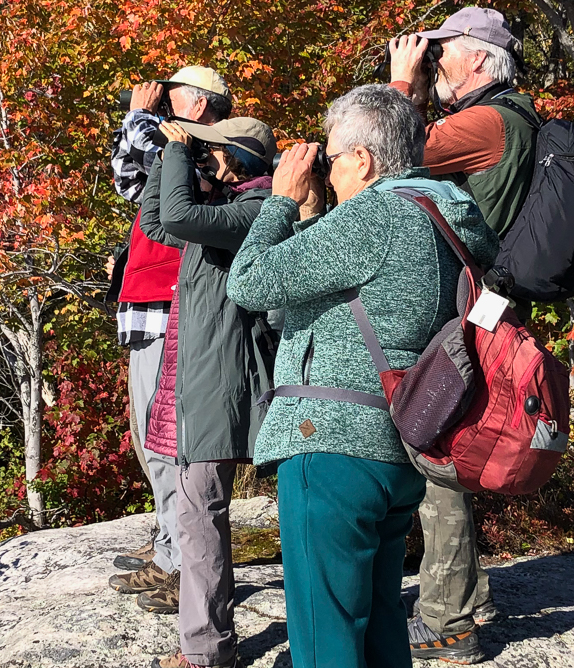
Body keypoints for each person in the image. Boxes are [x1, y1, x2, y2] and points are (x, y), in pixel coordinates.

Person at [227, 84, 499, 668]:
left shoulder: (375, 217)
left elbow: (249, 283)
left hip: (331, 443)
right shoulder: (446, 217)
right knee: (378, 630)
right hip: (399, 445)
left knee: (326, 636)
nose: (326, 172)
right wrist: (310, 217)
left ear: (363, 159)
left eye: (331, 158)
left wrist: (279, 203)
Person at [388, 6, 541, 663]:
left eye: (442, 48)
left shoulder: (486, 122)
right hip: (489, 303)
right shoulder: (513, 117)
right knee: (451, 434)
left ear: (478, 56)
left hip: (472, 306)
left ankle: (448, 624)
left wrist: (401, 86)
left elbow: (388, 158)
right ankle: (469, 598)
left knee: (437, 447)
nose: (433, 58)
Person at [141, 116, 278, 668]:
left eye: (214, 149)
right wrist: (164, 159)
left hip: (222, 378)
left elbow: (178, 216)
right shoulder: (224, 209)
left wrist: (179, 153)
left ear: (238, 160)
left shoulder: (256, 209)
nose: (204, 154)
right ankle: (206, 643)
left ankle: (206, 651)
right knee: (198, 507)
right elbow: (157, 222)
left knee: (201, 510)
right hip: (202, 376)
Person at [108, 66, 232, 614]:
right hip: (145, 305)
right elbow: (130, 182)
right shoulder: (172, 149)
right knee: (148, 436)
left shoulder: (206, 151)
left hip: (171, 304)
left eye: (171, 93)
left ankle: (180, 559)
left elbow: (150, 161)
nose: (159, 98)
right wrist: (140, 121)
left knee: (166, 439)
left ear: (200, 104)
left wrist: (141, 115)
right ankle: (167, 542)